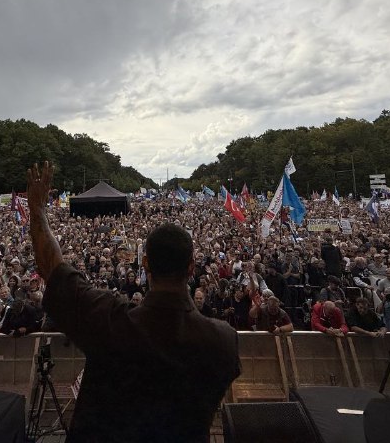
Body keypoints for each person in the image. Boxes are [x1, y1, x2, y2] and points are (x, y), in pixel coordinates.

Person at [28, 161, 241, 442]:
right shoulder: (223, 341)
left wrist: (38, 211)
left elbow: (52, 268)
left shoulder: (108, 321)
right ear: (192, 267)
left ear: (145, 263)